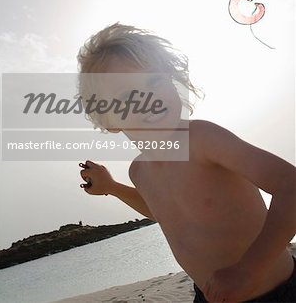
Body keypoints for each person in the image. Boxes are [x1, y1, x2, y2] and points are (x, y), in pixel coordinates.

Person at [77, 23, 296, 303]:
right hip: (208, 296)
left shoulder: (201, 139)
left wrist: (248, 269)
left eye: (155, 80)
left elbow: (290, 185)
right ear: (108, 119)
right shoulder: (139, 171)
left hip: (276, 291)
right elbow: (164, 213)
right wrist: (113, 187)